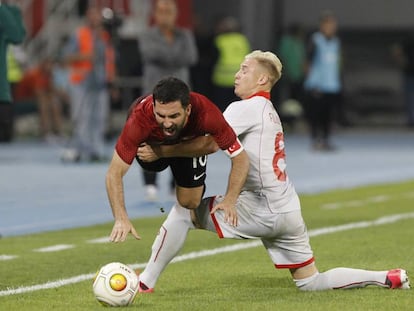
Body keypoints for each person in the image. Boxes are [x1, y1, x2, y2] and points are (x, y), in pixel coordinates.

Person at [133, 50, 410, 293]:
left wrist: (162, 151)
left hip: (260, 209)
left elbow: (208, 143)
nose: (238, 74)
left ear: (262, 80)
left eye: (245, 69)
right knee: (311, 282)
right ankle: (387, 277)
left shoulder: (246, 107)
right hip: (287, 208)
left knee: (183, 212)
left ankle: (145, 281)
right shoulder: (268, 110)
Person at [106, 77, 249, 246]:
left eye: (174, 116)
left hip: (179, 147)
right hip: (151, 151)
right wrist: (121, 218)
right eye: (161, 115)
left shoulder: (206, 112)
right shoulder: (139, 120)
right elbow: (114, 173)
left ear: (188, 109)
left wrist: (230, 199)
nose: (167, 123)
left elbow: (239, 157)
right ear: (153, 107)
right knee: (149, 160)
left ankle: (178, 163)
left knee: (190, 202)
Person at [138, 0, 198, 200]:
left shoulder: (185, 35)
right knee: (150, 138)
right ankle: (150, 183)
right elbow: (150, 53)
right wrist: (174, 55)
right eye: (161, 11)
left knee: (180, 140)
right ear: (155, 14)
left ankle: (176, 183)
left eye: (168, 12)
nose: (164, 16)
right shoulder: (147, 35)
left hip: (180, 98)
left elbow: (191, 57)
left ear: (175, 14)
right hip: (154, 97)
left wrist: (168, 55)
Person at [61, 6, 116, 162]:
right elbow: (66, 57)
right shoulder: (79, 34)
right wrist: (84, 57)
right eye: (92, 15)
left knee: (99, 117)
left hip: (100, 82)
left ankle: (96, 150)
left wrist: (112, 81)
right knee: (82, 117)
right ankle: (82, 149)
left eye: (97, 16)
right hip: (81, 82)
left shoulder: (105, 36)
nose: (95, 19)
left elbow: (110, 61)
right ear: (87, 16)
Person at [303, 11, 342, 151]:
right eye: (329, 24)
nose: (332, 27)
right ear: (322, 25)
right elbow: (308, 61)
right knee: (316, 114)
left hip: (331, 85)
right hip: (317, 84)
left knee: (328, 114)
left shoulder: (336, 42)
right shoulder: (315, 40)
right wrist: (310, 80)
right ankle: (315, 139)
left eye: (333, 25)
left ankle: (326, 139)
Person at [212, 16, 250, 112]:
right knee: (238, 108)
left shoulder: (219, 40)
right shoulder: (242, 40)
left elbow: (212, 58)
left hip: (222, 79)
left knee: (222, 108)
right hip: (240, 79)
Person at [0, 1, 26, 142]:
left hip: (4, 84)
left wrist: (2, 9)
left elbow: (17, 36)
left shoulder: (5, 13)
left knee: (6, 120)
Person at [392, 36, 414, 128]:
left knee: (410, 97)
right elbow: (396, 50)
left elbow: (396, 50)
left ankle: (411, 119)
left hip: (409, 71)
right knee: (410, 97)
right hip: (409, 72)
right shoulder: (409, 40)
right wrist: (401, 62)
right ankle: (411, 120)